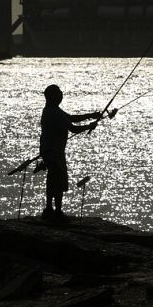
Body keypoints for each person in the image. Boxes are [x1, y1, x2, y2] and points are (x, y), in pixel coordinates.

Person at [39, 84, 102, 221]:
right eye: (59, 94)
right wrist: (88, 126)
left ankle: (50, 209)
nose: (61, 96)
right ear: (54, 97)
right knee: (58, 180)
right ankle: (57, 212)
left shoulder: (51, 110)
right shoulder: (54, 112)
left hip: (48, 151)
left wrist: (91, 115)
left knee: (52, 179)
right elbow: (73, 128)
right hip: (54, 152)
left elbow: (72, 118)